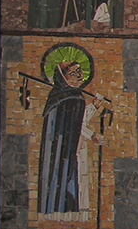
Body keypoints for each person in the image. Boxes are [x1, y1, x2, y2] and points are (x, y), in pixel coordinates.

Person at [39, 60, 106, 215]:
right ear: (63, 77)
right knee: (64, 175)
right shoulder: (66, 98)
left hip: (72, 146)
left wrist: (94, 106)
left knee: (74, 177)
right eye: (73, 73)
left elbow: (78, 120)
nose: (79, 76)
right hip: (63, 147)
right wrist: (92, 135)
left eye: (79, 71)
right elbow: (74, 125)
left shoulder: (73, 96)